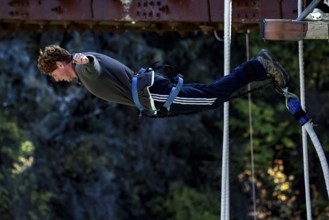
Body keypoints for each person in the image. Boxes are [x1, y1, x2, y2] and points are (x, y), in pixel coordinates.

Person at [37, 45, 289, 118]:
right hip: (150, 92)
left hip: (152, 93)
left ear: (60, 64)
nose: (58, 80)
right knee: (207, 93)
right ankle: (258, 68)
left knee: (211, 98)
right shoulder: (82, 75)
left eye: (55, 75)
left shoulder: (83, 69)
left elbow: (91, 62)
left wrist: (83, 59)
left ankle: (258, 66)